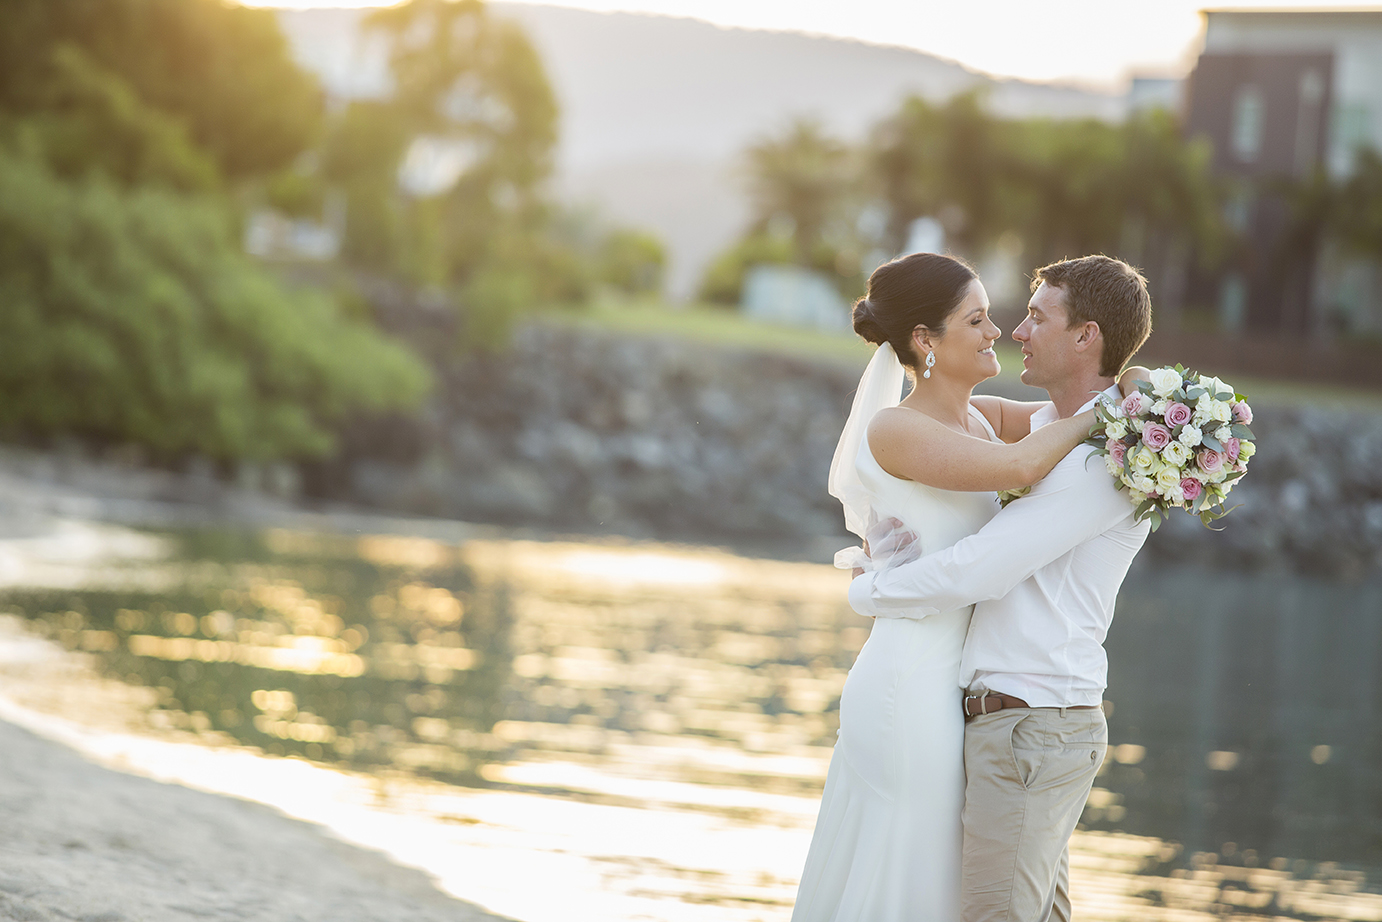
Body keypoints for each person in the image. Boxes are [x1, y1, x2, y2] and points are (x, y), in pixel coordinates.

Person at [790, 252, 1146, 922]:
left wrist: (1135, 388)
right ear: (925, 339)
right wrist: (1110, 413)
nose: (1000, 331)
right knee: (912, 868)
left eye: (1008, 317)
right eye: (977, 318)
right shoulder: (897, 426)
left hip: (963, 690)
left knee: (948, 880)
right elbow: (1021, 463)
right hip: (912, 677)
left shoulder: (984, 420)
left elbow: (1041, 428)